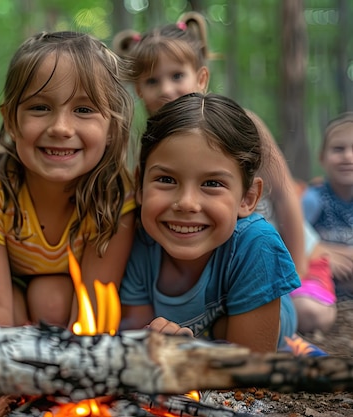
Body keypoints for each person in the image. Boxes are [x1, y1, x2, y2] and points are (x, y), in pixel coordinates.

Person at [0, 31, 136, 328]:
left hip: (64, 312)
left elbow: (95, 307)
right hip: (10, 305)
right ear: (12, 121)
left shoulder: (114, 192)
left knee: (51, 299)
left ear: (112, 128)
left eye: (84, 109)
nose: (61, 128)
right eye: (40, 107)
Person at [113, 11, 309, 279]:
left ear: (201, 78)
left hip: (257, 249)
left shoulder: (240, 123)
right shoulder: (146, 140)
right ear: (138, 90)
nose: (167, 89)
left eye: (177, 76)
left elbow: (285, 194)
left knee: (311, 311)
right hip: (203, 258)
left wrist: (299, 268)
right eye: (152, 81)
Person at [119, 92, 301, 353]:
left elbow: (249, 371)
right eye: (167, 180)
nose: (187, 203)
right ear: (140, 184)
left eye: (212, 184)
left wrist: (187, 351)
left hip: (267, 317)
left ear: (247, 198)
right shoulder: (138, 242)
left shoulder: (256, 245)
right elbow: (137, 337)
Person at [298, 113, 353, 326]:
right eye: (338, 149)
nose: (348, 156)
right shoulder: (314, 198)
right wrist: (327, 254)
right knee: (307, 310)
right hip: (318, 274)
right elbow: (292, 239)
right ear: (322, 158)